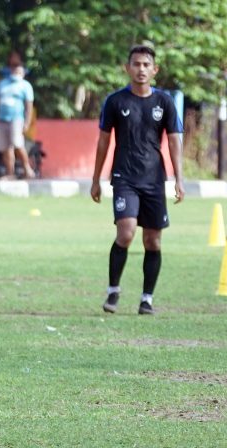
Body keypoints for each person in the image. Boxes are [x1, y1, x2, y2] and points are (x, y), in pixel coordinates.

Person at [91, 45, 184, 315]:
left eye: (146, 65)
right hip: (124, 177)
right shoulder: (115, 102)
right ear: (127, 68)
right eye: (136, 64)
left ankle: (147, 299)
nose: (141, 69)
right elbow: (103, 142)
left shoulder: (164, 102)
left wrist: (179, 178)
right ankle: (113, 291)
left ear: (155, 70)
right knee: (126, 232)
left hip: (154, 179)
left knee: (153, 242)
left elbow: (175, 140)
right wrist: (96, 179)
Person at [0, 63, 35, 179]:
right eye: (14, 70)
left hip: (16, 120)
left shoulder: (25, 86)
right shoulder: (3, 84)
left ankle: (27, 168)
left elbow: (29, 106)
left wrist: (27, 122)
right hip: (2, 120)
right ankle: (10, 173)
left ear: (23, 73)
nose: (16, 72)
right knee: (5, 147)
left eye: (19, 71)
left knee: (17, 144)